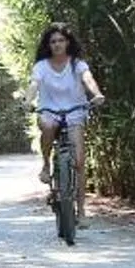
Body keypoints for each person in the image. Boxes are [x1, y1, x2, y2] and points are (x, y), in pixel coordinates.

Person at [30, 21, 103, 192]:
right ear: (48, 45)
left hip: (74, 112)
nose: (57, 44)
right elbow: (34, 84)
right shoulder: (41, 66)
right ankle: (47, 165)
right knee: (48, 126)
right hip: (49, 112)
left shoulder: (77, 64)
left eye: (61, 40)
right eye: (53, 41)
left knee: (79, 161)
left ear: (67, 42)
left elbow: (88, 78)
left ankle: (81, 208)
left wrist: (97, 94)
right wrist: (28, 101)